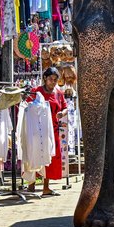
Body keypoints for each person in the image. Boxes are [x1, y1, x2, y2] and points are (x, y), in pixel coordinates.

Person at [28, 67, 68, 196]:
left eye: (55, 80)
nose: (53, 82)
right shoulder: (36, 92)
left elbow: (65, 107)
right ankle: (31, 184)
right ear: (45, 78)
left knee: (49, 157)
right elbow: (28, 108)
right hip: (37, 129)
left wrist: (62, 113)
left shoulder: (58, 93)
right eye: (51, 79)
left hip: (53, 130)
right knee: (34, 154)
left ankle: (46, 187)